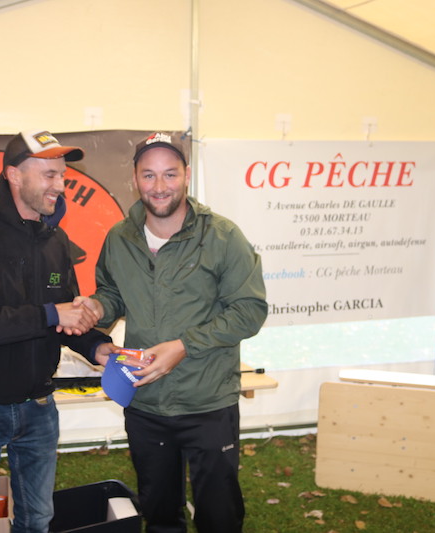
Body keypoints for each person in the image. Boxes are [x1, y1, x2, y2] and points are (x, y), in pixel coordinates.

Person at [80, 132, 268, 532]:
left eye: (170, 174)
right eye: (149, 175)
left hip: (207, 400)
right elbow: (113, 293)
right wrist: (98, 308)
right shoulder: (120, 237)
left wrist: (184, 345)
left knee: (219, 515)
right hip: (146, 401)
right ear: (135, 178)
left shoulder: (222, 237)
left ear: (186, 175)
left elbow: (249, 310)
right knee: (160, 514)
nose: (160, 186)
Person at [0, 129, 116, 533]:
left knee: (38, 520)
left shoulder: (56, 241)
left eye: (63, 175)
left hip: (38, 404)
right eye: (50, 175)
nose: (60, 185)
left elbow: (64, 317)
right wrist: (52, 313)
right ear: (14, 175)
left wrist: (98, 347)